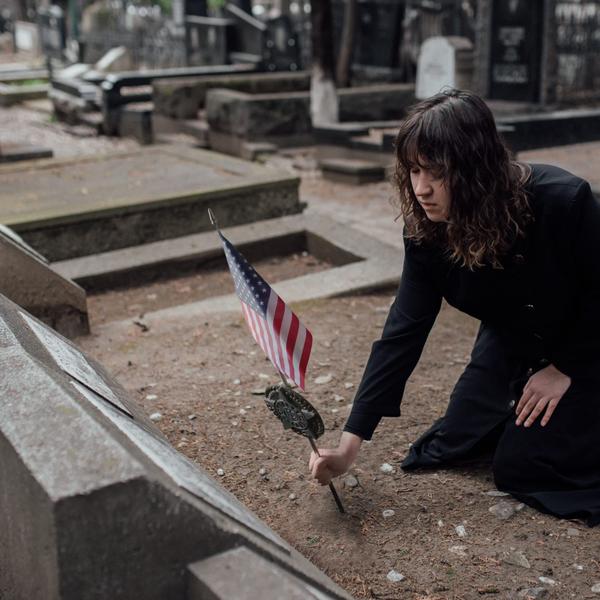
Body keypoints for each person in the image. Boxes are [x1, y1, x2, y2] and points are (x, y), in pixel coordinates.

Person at [309, 89, 600, 526]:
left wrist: (564, 367)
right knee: (457, 441)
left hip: (587, 339)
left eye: (437, 172)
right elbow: (403, 331)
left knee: (522, 466)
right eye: (413, 170)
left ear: (476, 168)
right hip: (512, 341)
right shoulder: (427, 233)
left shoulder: (564, 201)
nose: (421, 189)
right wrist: (349, 444)